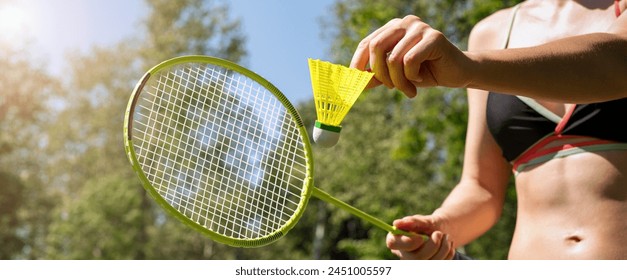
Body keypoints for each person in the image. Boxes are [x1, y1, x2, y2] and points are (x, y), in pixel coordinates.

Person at [350, 0, 627, 259]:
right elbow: (481, 187)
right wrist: (440, 226)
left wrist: (468, 67)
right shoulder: (491, 33)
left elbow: (617, 61)